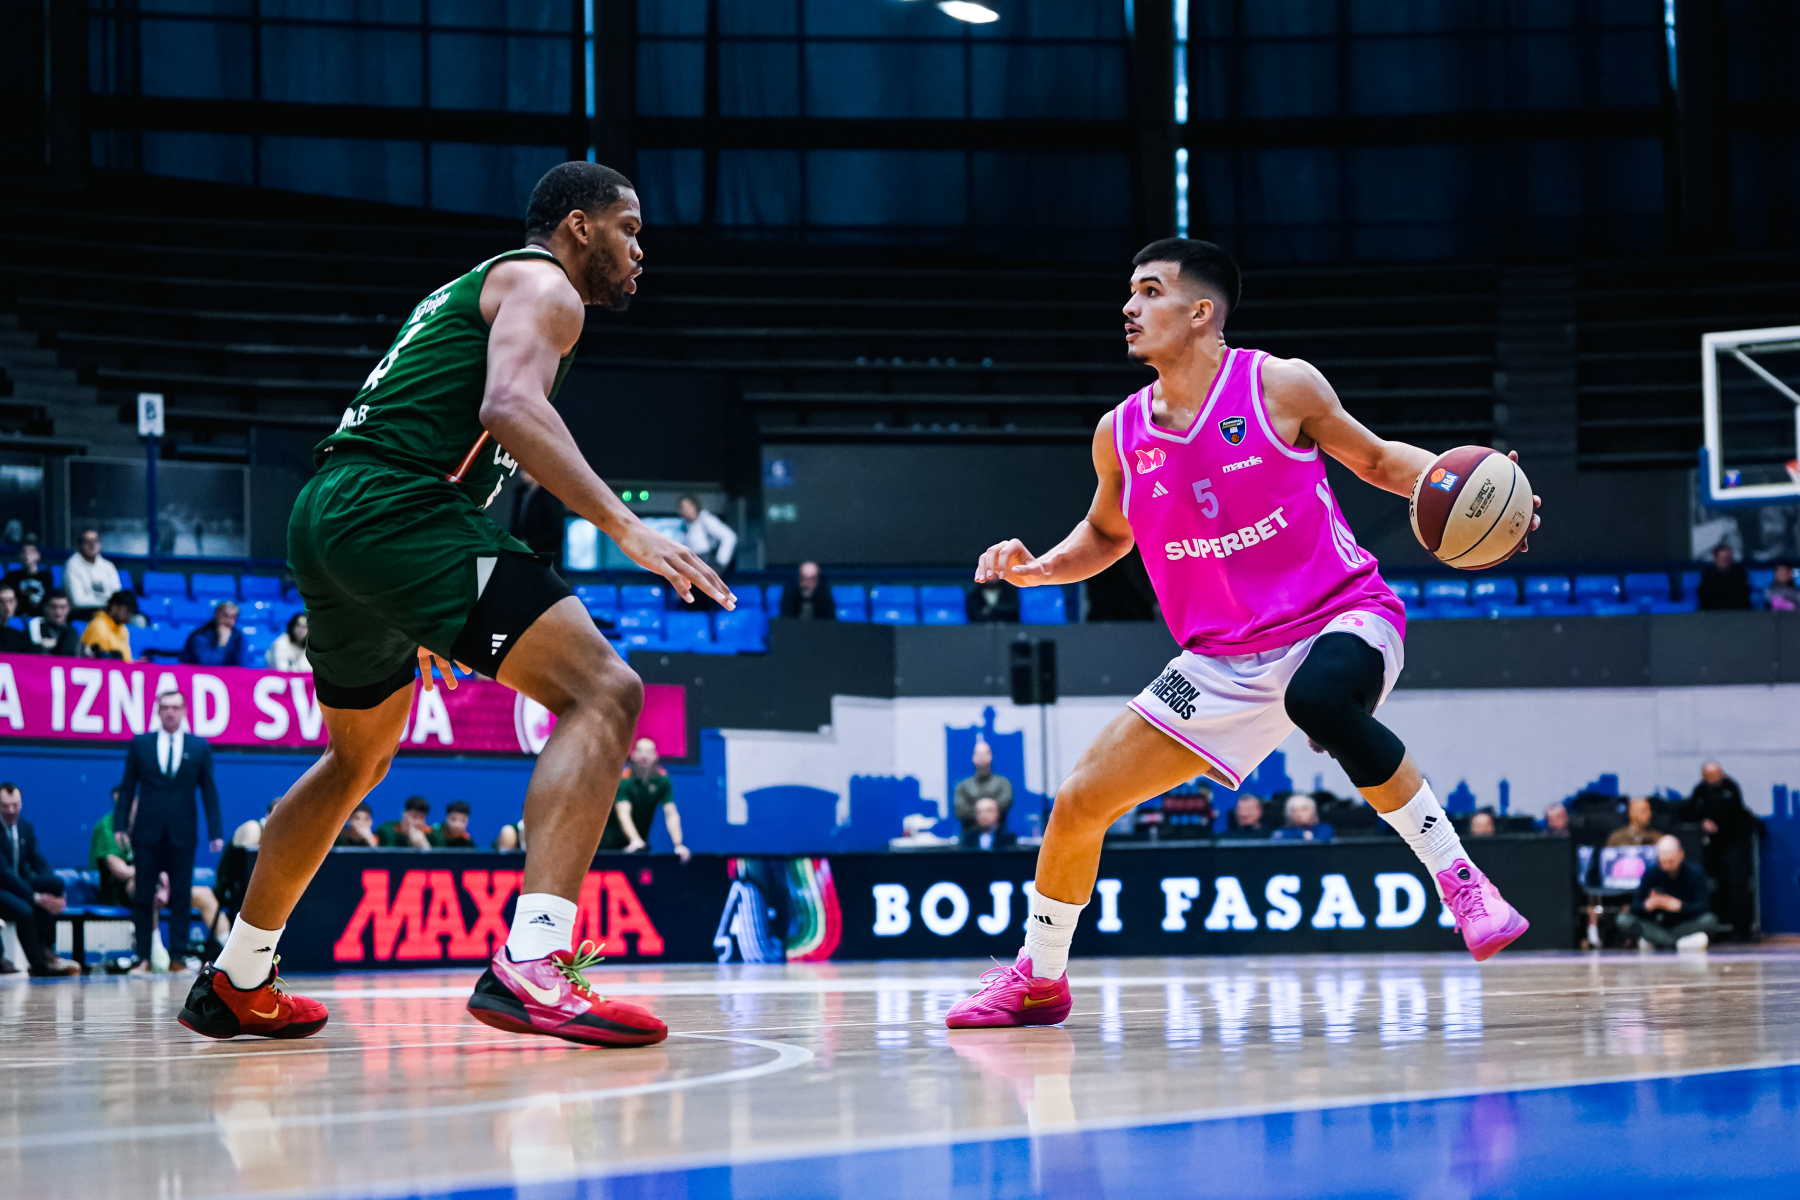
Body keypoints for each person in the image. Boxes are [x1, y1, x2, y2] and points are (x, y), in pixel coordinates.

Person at [177, 161, 724, 1047]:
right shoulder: (548, 286)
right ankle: (534, 963)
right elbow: (508, 408)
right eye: (628, 229)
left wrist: (422, 598)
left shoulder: (478, 287)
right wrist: (625, 526)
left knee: (356, 761)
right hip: (398, 510)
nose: (638, 250)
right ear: (579, 226)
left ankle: (238, 975)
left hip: (334, 513)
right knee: (605, 691)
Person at [946, 237, 1542, 1030]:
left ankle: (1462, 881)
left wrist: (1478, 492)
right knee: (1079, 802)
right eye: (1130, 292)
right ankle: (1039, 980)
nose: (1129, 307)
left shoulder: (1278, 386)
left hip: (1338, 613)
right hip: (1220, 660)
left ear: (1201, 312)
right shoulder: (1120, 432)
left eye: (1149, 291)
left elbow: (1376, 460)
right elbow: (1107, 533)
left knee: (1318, 701)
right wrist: (1040, 568)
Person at [117, 691, 223, 973]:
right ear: (157, 711)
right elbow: (127, 787)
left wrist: (215, 831)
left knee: (181, 895)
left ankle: (177, 957)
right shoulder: (141, 744)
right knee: (143, 895)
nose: (170, 712)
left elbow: (209, 790)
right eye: (165, 707)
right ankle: (143, 957)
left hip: (183, 832)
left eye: (175, 707)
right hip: (147, 831)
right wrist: (120, 825)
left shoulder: (199, 747)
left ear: (184, 710)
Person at [0, 783, 81, 976]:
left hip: (20, 885)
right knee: (26, 910)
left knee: (54, 884)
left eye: (15, 805)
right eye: (5, 806)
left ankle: (47, 949)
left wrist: (57, 894)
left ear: (21, 804)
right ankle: (38, 965)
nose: (11, 810)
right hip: (3, 887)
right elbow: (4, 874)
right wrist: (36, 897)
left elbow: (39, 861)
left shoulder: (25, 828)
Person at [1681, 761, 1763, 942]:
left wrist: (1707, 815)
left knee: (1738, 884)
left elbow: (1725, 810)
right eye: (1709, 775)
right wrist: (1702, 821)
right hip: (1715, 849)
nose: (1713, 778)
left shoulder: (1730, 787)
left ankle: (1743, 930)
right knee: (1719, 887)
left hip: (1736, 843)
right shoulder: (1700, 790)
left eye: (1716, 774)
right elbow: (1689, 810)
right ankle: (1723, 928)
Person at [1615, 835, 1726, 951]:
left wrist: (1680, 906)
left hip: (1685, 926)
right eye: (1663, 862)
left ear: (1681, 854)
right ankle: (1678, 944)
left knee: (1710, 920)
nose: (1667, 866)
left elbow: (1704, 905)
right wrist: (1647, 906)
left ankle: (1659, 943)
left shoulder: (1695, 872)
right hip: (1656, 926)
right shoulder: (1650, 873)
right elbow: (1635, 906)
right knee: (1623, 920)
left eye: (1671, 861)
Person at [602, 738, 691, 862]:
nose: (644, 757)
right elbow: (623, 813)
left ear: (655, 756)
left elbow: (671, 814)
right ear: (633, 755)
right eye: (640, 751)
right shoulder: (624, 780)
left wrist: (678, 844)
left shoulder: (662, 780)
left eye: (649, 752)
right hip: (609, 846)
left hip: (640, 846)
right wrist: (634, 840)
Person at [952, 741, 1014, 834]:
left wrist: (987, 808)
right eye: (978, 754)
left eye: (985, 753)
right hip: (969, 837)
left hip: (999, 837)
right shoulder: (963, 786)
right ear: (973, 757)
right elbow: (959, 811)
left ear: (991, 756)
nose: (982, 757)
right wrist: (984, 809)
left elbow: (1006, 802)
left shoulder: (1003, 783)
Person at [508, 467, 567, 559]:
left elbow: (556, 531)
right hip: (521, 555)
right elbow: (515, 523)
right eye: (521, 468)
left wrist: (530, 543)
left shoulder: (550, 495)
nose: (522, 472)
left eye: (526, 468)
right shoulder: (521, 493)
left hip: (543, 555)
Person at [65, 528, 124, 618]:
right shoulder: (72, 565)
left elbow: (117, 595)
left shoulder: (108, 566)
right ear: (80, 545)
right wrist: (107, 603)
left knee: (138, 619)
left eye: (95, 541)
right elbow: (78, 601)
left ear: (100, 544)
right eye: (87, 542)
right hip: (84, 612)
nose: (92, 545)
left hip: (109, 609)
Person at [677, 494, 736, 571]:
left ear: (694, 506)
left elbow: (729, 536)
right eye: (682, 508)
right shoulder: (686, 526)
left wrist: (720, 564)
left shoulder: (705, 519)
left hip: (706, 563)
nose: (683, 511)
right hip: (693, 566)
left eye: (685, 508)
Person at [180, 601, 245, 666]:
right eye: (225, 616)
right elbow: (208, 663)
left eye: (233, 617)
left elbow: (242, 663)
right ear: (217, 615)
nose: (228, 621)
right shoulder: (200, 634)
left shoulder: (237, 635)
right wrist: (222, 643)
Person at [81, 590, 137, 661]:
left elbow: (126, 659)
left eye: (132, 612)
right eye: (128, 610)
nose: (130, 615)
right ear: (114, 607)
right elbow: (96, 659)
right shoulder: (98, 626)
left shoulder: (123, 630)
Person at [1697, 543, 1751, 610]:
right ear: (1715, 559)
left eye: (1728, 557)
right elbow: (1706, 598)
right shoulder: (1707, 575)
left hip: (1737, 611)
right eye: (1722, 558)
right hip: (1712, 612)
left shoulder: (1740, 573)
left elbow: (1741, 597)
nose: (1725, 561)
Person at [1, 541, 49, 617]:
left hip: (40, 617)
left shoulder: (46, 577)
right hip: (17, 617)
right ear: (20, 556)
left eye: (31, 552)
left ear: (38, 555)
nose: (27, 555)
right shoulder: (12, 577)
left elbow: (48, 600)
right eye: (24, 552)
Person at [29, 589, 81, 657]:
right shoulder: (35, 626)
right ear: (45, 607)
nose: (58, 612)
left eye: (62, 607)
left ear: (68, 609)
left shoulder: (71, 632)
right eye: (53, 607)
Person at [377, 795, 441, 849]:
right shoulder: (387, 830)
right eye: (414, 816)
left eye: (422, 817)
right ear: (404, 814)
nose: (418, 822)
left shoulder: (431, 834)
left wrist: (423, 844)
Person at [1269, 793, 1334, 842]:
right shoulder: (1280, 834)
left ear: (1313, 812)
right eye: (1294, 810)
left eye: (1303, 809)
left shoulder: (1325, 830)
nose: (1298, 814)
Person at [0, 585, 35, 653]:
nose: (7, 606)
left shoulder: (20, 637)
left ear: (16, 603)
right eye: (1, 601)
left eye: (10, 601)